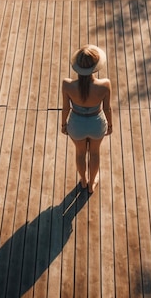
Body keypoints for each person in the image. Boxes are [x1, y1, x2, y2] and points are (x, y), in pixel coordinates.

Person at [61, 44, 113, 193]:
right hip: (96, 123)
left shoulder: (67, 85)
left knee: (80, 153)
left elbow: (66, 108)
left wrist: (63, 125)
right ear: (96, 67)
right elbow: (107, 108)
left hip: (77, 124)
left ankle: (83, 181)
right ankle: (92, 184)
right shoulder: (105, 85)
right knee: (95, 153)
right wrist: (110, 124)